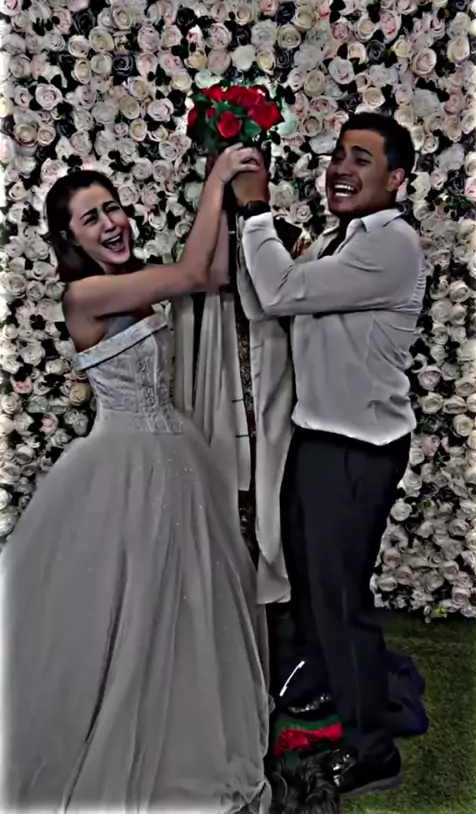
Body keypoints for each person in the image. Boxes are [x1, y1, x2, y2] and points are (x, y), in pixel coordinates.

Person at [3, 147, 272, 812]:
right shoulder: (85, 295)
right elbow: (191, 271)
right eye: (92, 218)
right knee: (122, 609)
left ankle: (172, 721)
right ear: (70, 239)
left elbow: (211, 275)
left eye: (113, 208)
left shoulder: (132, 279)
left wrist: (223, 199)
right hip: (120, 465)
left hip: (173, 457)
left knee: (178, 601)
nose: (112, 223)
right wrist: (216, 176)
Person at [231, 113, 426, 798]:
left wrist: (254, 209)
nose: (341, 168)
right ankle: (322, 683)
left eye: (361, 159)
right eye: (339, 155)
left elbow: (280, 290)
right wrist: (261, 236)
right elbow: (270, 301)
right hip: (319, 435)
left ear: (396, 179)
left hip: (358, 446)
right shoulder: (340, 240)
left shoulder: (392, 244)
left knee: (341, 601)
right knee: (311, 585)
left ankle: (374, 752)